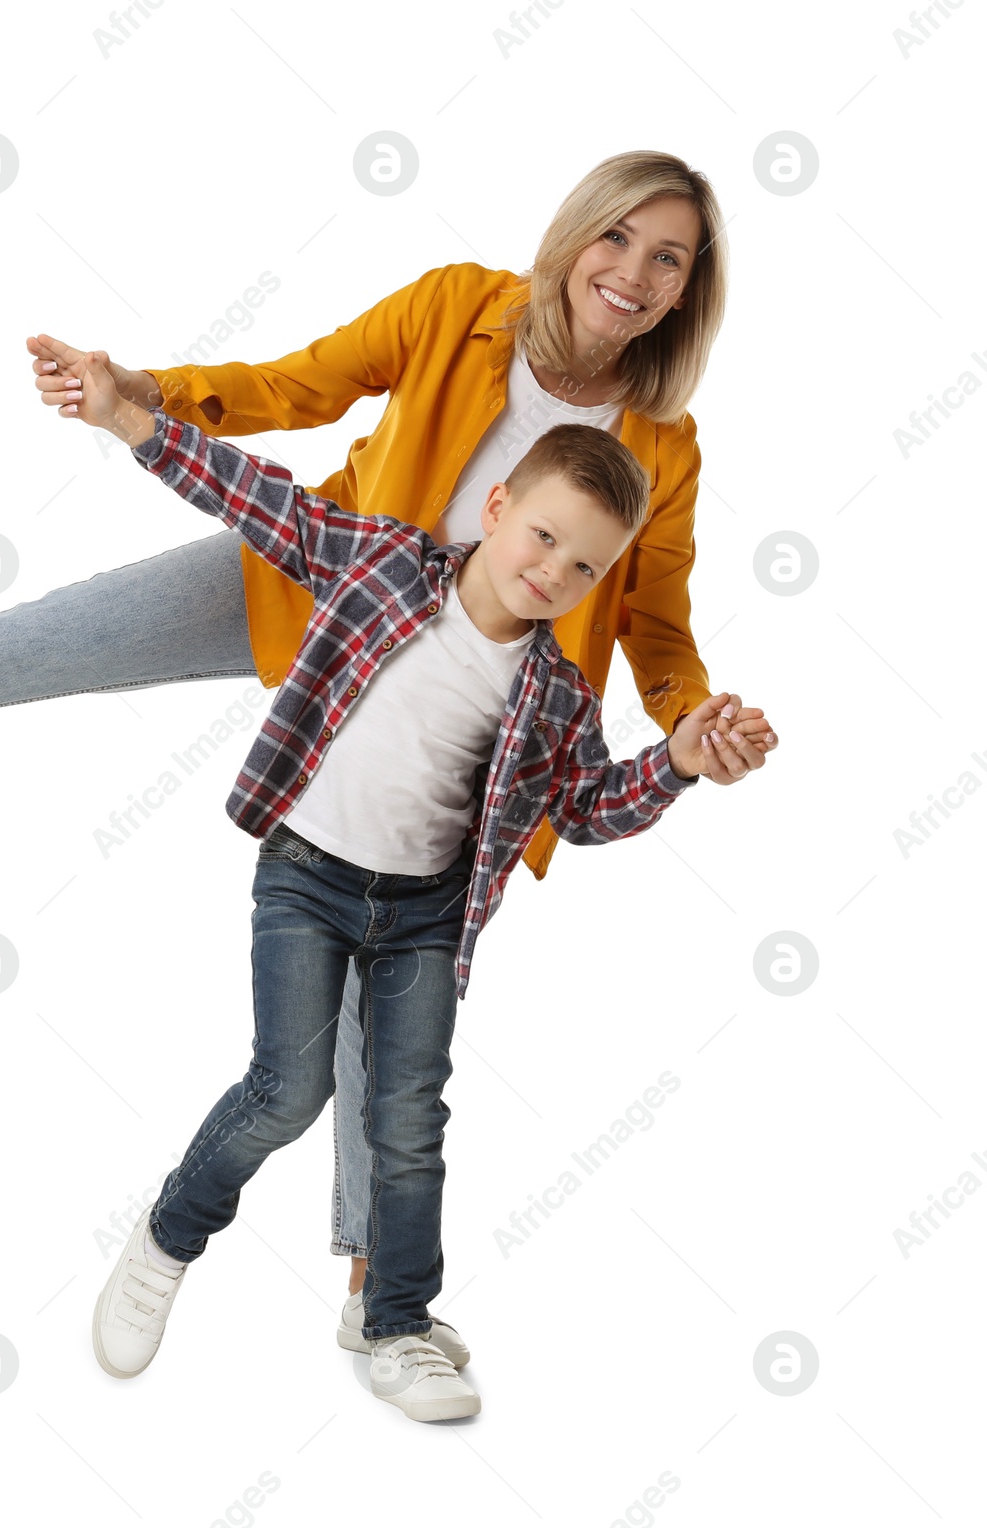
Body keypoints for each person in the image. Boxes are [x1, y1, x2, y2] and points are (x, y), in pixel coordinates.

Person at [0, 149, 777, 1338]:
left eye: (670, 258)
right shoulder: (462, 308)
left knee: (391, 974)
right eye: (618, 235)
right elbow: (303, 384)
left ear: (690, 291)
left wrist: (688, 724)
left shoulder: (662, 447)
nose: (634, 271)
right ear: (574, 236)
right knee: (7, 648)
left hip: (467, 707)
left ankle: (369, 1295)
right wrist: (140, 401)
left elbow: (656, 619)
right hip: (322, 580)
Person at [80, 353, 746, 1421]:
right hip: (306, 878)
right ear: (496, 504)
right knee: (285, 1091)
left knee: (407, 1121)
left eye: (583, 568)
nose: (551, 573)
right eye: (542, 537)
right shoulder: (383, 563)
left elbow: (583, 810)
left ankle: (391, 1321)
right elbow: (262, 502)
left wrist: (674, 764)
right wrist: (135, 424)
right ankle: (166, 1238)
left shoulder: (556, 693)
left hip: (426, 914)